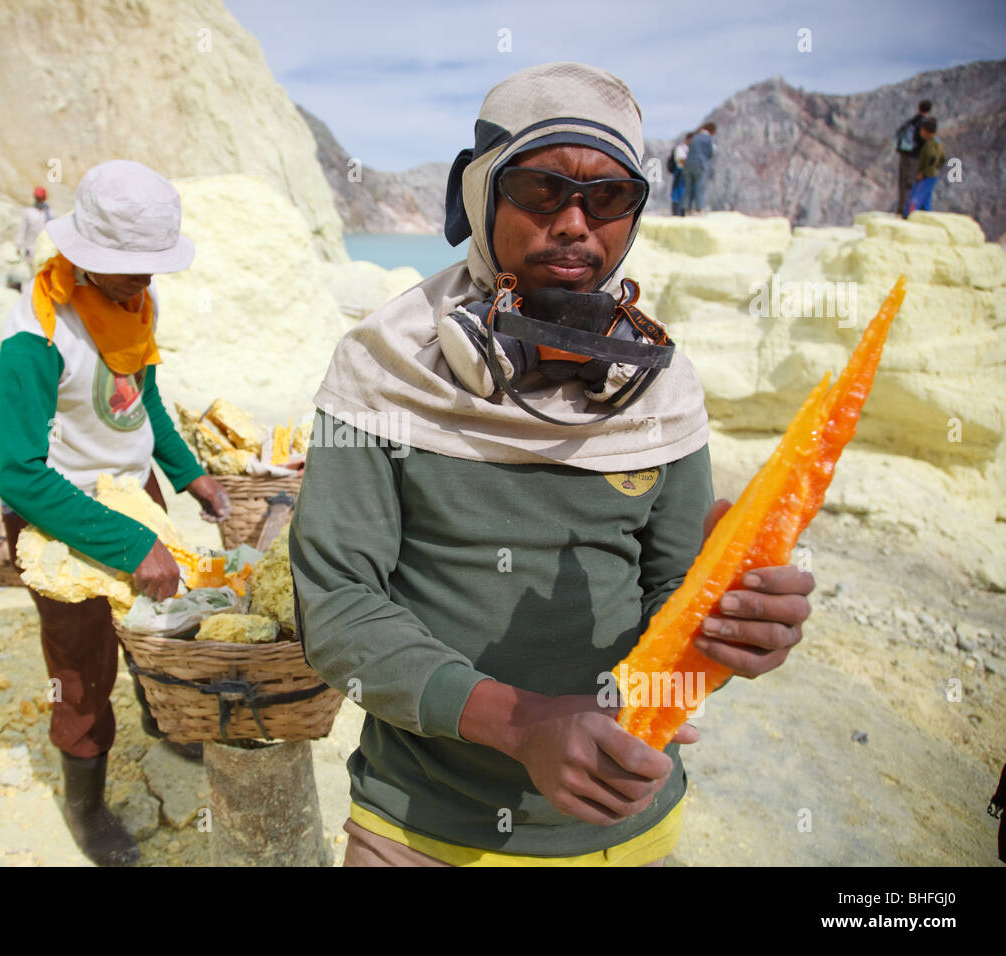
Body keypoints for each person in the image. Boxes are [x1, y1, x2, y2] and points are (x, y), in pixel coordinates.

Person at [290, 63, 815, 867]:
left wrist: (727, 627)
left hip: (626, 830)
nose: (575, 223)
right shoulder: (383, 370)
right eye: (541, 190)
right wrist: (523, 722)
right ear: (480, 195)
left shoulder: (661, 384)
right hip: (422, 831)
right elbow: (339, 609)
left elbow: (670, 589)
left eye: (609, 198)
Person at [0, 159, 231, 866]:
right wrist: (127, 543)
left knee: (157, 625)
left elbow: (143, 401)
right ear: (86, 256)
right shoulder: (35, 334)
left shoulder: (134, 304)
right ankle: (86, 806)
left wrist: (189, 478)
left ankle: (162, 720)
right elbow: (18, 473)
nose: (147, 281)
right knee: (80, 663)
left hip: (133, 497)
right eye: (131, 267)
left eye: (154, 267)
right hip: (63, 514)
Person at [894, 99, 932, 216]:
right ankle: (909, 211)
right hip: (915, 157)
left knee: (903, 182)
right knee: (912, 183)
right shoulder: (925, 124)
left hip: (904, 155)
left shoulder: (911, 122)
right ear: (929, 110)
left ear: (919, 108)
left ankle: (901, 208)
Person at [905, 117, 945, 218]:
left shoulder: (930, 144)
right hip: (933, 175)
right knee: (926, 199)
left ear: (926, 131)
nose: (920, 132)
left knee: (916, 196)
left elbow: (932, 158)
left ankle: (908, 216)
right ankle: (926, 217)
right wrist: (936, 168)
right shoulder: (938, 142)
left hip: (926, 175)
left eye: (922, 130)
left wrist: (923, 172)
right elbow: (942, 159)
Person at [15, 186, 52, 276]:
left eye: (41, 198)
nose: (39, 200)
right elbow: (22, 229)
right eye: (38, 198)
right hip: (31, 249)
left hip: (46, 249)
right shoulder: (28, 212)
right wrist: (18, 245)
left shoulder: (50, 213)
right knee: (33, 274)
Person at [683, 122, 715, 214]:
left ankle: (687, 209)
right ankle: (699, 209)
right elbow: (710, 153)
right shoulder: (708, 138)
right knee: (699, 188)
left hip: (688, 164)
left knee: (688, 188)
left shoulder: (695, 137)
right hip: (700, 164)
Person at [669, 133, 690, 216]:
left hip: (684, 172)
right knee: (677, 192)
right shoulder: (680, 148)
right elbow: (680, 160)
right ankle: (676, 212)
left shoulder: (688, 149)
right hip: (679, 172)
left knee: (684, 192)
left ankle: (682, 212)